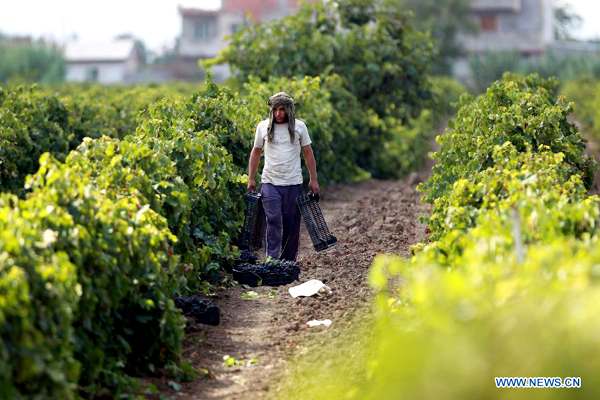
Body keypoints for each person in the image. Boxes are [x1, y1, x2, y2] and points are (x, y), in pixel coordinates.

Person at [247, 92, 319, 261]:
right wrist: (251, 178)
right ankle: (271, 260)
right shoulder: (263, 127)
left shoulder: (299, 127)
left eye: (282, 110)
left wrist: (313, 179)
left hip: (293, 183)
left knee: (291, 224)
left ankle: (288, 261)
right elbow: (256, 152)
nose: (278, 114)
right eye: (275, 110)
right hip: (270, 182)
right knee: (272, 219)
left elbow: (308, 154)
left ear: (289, 110)